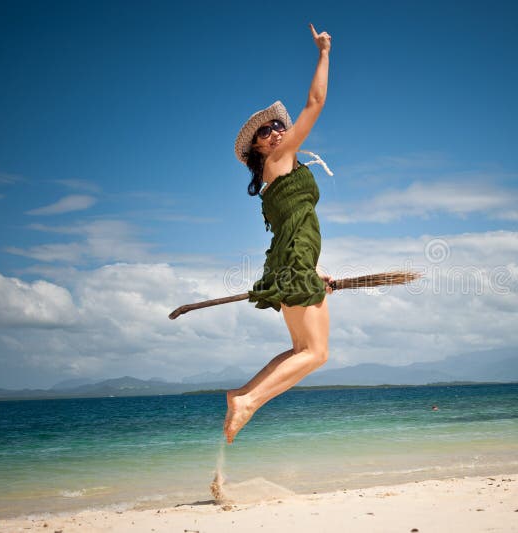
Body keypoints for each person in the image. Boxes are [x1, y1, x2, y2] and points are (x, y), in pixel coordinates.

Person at [223, 23, 333, 445]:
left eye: (276, 125)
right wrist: (323, 52)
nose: (275, 131)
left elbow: (294, 227)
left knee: (306, 350)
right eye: (264, 132)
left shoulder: (284, 171)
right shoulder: (282, 159)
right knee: (315, 353)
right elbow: (316, 101)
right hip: (291, 263)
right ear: (258, 149)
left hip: (293, 261)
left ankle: (243, 398)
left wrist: (314, 268)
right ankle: (247, 401)